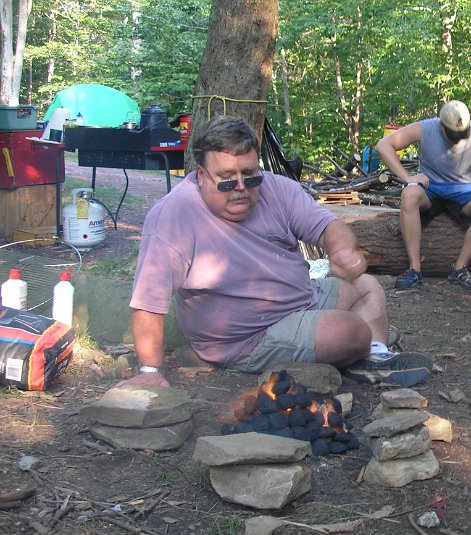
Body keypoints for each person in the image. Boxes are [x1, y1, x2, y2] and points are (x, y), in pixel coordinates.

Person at [121, 116, 430, 389]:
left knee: (367, 286)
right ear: (201, 175)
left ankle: (373, 359)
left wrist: (341, 250)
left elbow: (328, 227)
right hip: (246, 338)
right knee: (352, 331)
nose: (241, 187)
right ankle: (360, 346)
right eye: (227, 179)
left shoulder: (277, 189)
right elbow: (148, 300)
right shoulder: (175, 214)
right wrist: (150, 370)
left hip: (301, 299)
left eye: (250, 174)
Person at [375, 100, 471, 291]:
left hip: (464, 190)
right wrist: (408, 178)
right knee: (409, 194)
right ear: (441, 125)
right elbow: (383, 145)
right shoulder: (425, 128)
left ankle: (460, 269)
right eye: (453, 135)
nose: (457, 140)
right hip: (430, 188)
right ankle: (414, 270)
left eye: (462, 135)